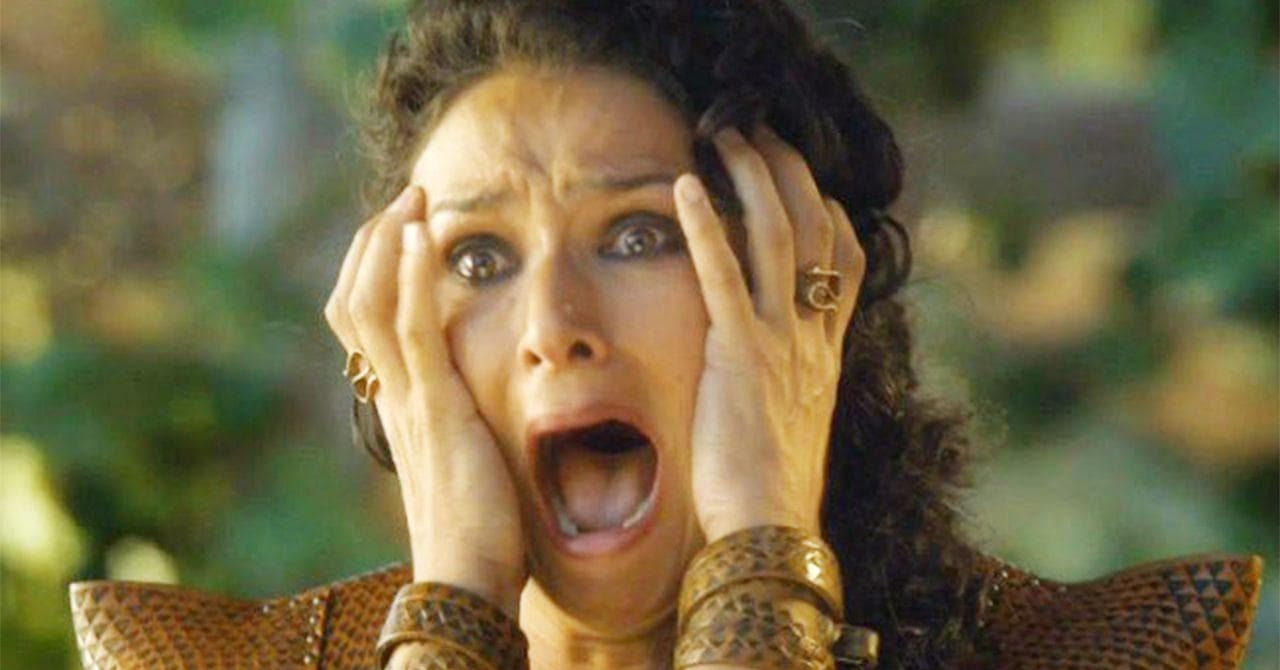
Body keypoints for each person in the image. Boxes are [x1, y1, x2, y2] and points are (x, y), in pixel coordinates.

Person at [68, 2, 1262, 668]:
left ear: (805, 288)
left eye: (638, 235)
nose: (553, 328)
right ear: (391, 341)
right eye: (477, 259)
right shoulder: (195, 659)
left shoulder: (1107, 653)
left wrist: (758, 563)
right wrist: (455, 613)